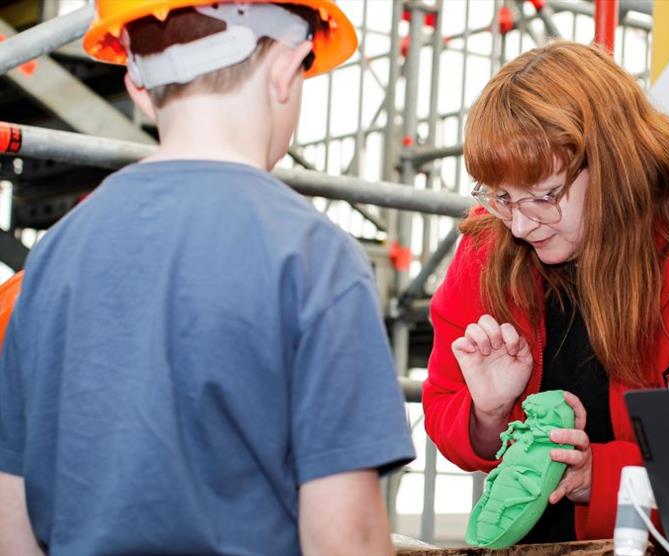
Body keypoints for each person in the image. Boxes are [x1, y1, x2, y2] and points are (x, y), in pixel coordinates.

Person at [0, 1, 414, 554]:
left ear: (138, 85)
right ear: (286, 69)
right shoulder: (314, 256)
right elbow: (345, 537)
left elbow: (12, 519)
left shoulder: (53, 256)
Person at [422, 41, 669, 543]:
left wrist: (601, 477)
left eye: (544, 196)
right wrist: (488, 413)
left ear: (612, 162)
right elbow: (445, 410)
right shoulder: (488, 244)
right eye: (501, 197)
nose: (520, 225)